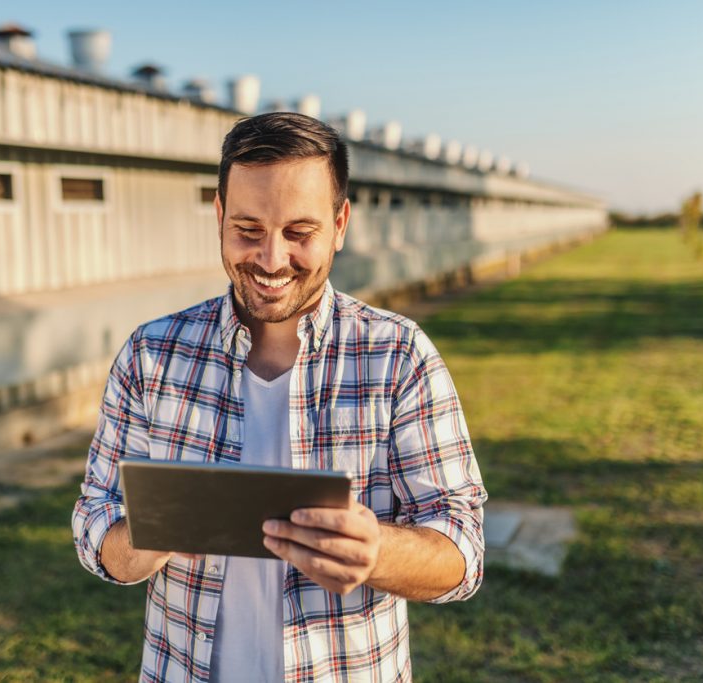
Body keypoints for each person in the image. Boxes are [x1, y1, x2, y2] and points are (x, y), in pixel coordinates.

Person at [73, 112, 486, 682]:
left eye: (299, 233)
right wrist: (149, 537)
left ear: (340, 225)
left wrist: (377, 552)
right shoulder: (151, 356)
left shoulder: (398, 356)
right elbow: (95, 526)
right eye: (247, 229)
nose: (270, 260)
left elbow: (461, 551)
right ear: (218, 217)